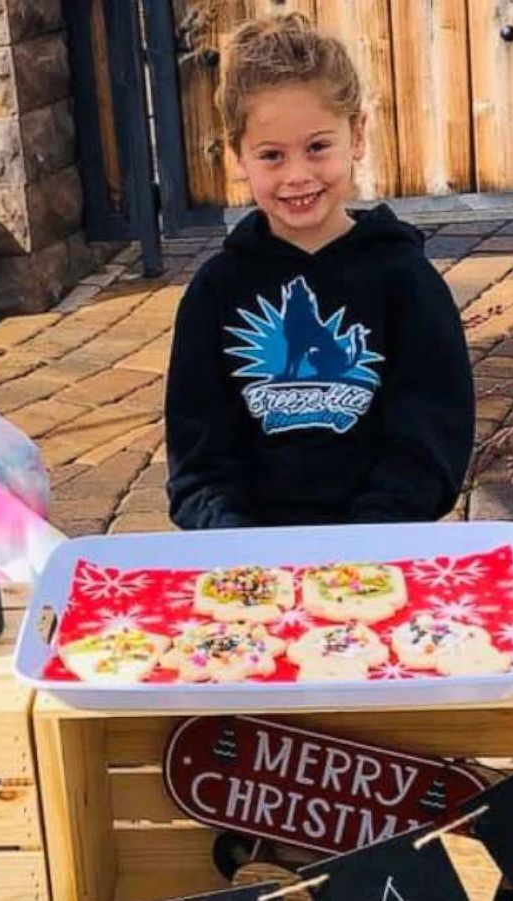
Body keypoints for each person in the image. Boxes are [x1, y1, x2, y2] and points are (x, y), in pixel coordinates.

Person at [165, 13, 474, 530]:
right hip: (248, 563)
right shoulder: (214, 293)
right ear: (237, 155)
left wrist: (369, 535)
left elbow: (429, 439)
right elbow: (199, 461)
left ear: (356, 135)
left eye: (317, 147)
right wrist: (235, 540)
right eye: (271, 155)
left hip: (379, 550)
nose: (297, 175)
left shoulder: (407, 282)